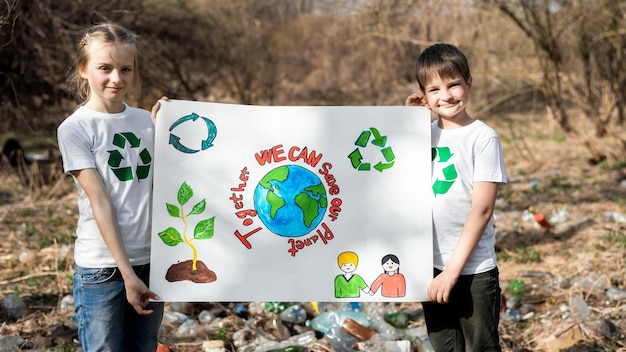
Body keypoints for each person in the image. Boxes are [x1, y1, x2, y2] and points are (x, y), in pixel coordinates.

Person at [57, 22, 164, 351]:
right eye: (105, 68)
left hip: (151, 260)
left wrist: (169, 131)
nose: (116, 79)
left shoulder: (147, 121)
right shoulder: (75, 129)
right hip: (103, 269)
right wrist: (127, 274)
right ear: (84, 69)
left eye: (125, 69)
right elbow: (101, 203)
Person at [406, 43, 507, 351]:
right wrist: (406, 123)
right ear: (424, 95)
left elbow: (482, 209)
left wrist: (452, 273)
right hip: (430, 267)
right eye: (434, 89)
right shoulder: (423, 134)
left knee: (481, 347)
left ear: (469, 82)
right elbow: (397, 181)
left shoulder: (483, 137)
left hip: (472, 271)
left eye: (453, 85)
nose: (446, 96)